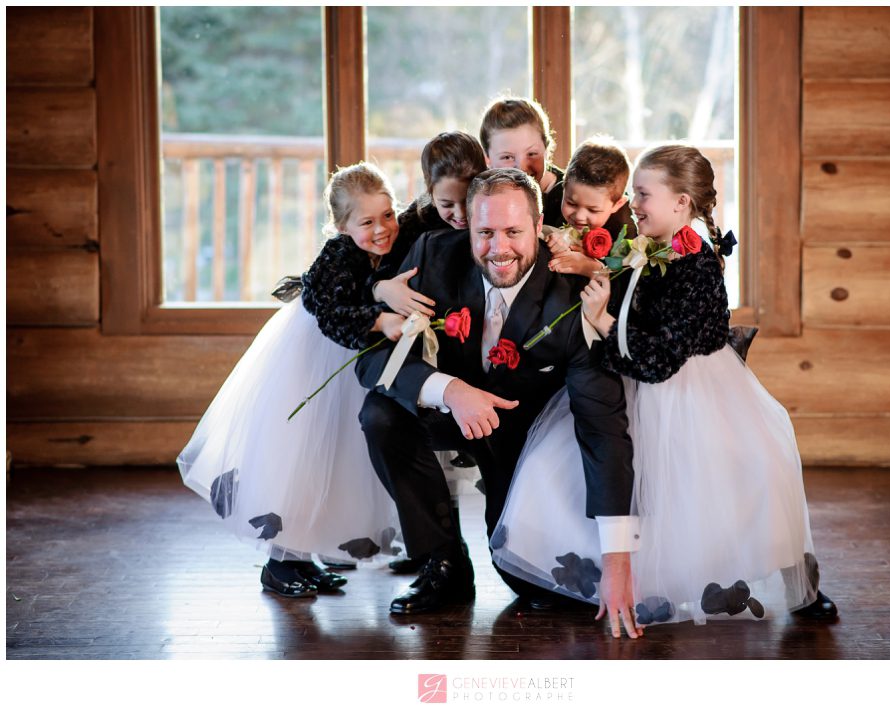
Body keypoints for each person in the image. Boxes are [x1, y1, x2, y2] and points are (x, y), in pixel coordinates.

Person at [493, 145, 838, 625]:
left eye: (643, 194)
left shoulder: (695, 265)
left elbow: (656, 361)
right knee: (591, 474)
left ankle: (794, 581)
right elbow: (636, 299)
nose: (634, 204)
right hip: (638, 381)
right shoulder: (650, 244)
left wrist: (605, 322)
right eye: (634, 193)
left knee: (747, 475)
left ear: (680, 204)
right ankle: (631, 581)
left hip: (690, 389)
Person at [355, 167, 644, 639]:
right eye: (484, 232)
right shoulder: (433, 255)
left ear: (539, 227)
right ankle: (442, 560)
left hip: (526, 439)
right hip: (453, 413)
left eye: (513, 232)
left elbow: (602, 426)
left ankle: (514, 547)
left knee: (529, 582)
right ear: (468, 225)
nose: (498, 248)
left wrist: (617, 559)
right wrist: (451, 390)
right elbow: (373, 362)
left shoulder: (573, 295)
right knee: (380, 415)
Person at [178, 162, 425, 598]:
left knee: (338, 462)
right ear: (341, 225)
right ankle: (280, 563)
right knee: (304, 461)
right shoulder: (336, 256)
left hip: (353, 366)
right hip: (316, 360)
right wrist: (379, 319)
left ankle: (305, 556)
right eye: (367, 222)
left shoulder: (394, 239)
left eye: (388, 214)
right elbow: (329, 314)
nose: (383, 228)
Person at [378, 130, 489, 574]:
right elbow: (385, 275)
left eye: (467, 201)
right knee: (382, 414)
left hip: (491, 358)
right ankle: (438, 551)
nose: (459, 216)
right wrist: (383, 288)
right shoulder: (417, 227)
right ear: (429, 196)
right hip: (434, 355)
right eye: (447, 206)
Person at [542, 136, 636, 278]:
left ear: (617, 204)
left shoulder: (624, 232)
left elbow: (624, 283)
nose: (579, 216)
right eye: (571, 203)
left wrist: (591, 267)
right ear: (563, 187)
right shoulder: (553, 201)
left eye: (593, 210)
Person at [479, 97, 568, 228]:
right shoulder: (477, 194)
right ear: (487, 158)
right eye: (507, 157)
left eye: (531, 154)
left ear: (547, 149)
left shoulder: (570, 197)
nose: (521, 168)